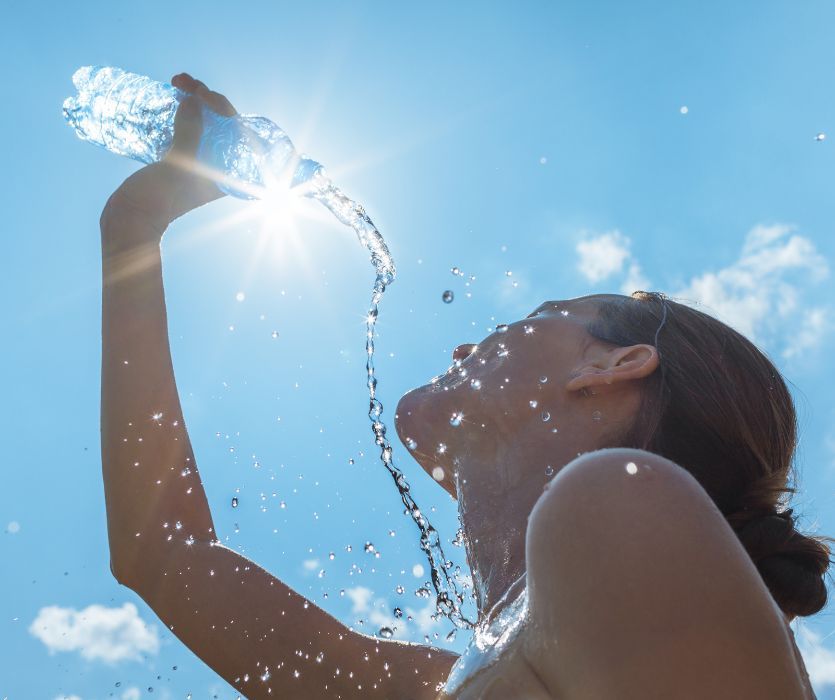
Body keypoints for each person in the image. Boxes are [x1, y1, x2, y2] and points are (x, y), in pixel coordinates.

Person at [99, 73, 829, 699]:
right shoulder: (464, 679)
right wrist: (133, 231)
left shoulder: (622, 491)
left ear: (612, 366)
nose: (464, 344)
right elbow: (163, 558)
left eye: (541, 316)